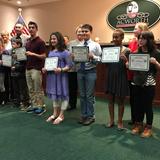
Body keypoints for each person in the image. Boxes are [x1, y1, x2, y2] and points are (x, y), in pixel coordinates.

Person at [130, 31, 160, 138]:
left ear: (149, 40)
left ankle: (148, 127)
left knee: (147, 106)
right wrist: (128, 64)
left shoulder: (156, 53)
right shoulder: (136, 52)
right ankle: (138, 124)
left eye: (143, 38)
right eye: (139, 38)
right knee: (138, 105)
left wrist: (155, 62)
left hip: (149, 84)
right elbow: (132, 68)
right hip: (136, 82)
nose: (140, 40)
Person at [75, 24, 101, 125]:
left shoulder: (95, 45)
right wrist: (74, 59)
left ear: (91, 32)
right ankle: (84, 115)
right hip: (80, 72)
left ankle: (91, 116)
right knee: (82, 95)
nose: (84, 33)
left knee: (89, 96)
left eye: (86, 31)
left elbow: (101, 59)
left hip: (91, 72)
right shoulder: (78, 46)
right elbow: (76, 62)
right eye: (82, 31)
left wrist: (93, 56)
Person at [44, 32, 72, 124]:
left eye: (54, 39)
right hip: (52, 77)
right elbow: (49, 64)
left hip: (61, 76)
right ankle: (55, 113)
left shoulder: (65, 52)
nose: (52, 40)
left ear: (59, 40)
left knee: (63, 95)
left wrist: (61, 69)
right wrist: (45, 69)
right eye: (51, 39)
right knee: (54, 94)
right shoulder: (51, 52)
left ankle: (61, 115)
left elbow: (70, 66)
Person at [105, 29, 130, 129]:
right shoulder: (110, 50)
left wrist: (126, 60)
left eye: (117, 37)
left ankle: (120, 121)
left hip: (121, 77)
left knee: (120, 101)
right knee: (110, 100)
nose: (114, 39)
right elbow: (106, 65)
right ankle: (111, 120)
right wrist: (105, 58)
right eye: (113, 37)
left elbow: (130, 66)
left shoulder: (127, 51)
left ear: (122, 37)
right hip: (110, 77)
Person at [128, 22, 148, 125]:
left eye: (136, 28)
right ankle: (134, 118)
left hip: (143, 76)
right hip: (132, 74)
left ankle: (140, 120)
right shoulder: (131, 42)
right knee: (133, 98)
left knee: (142, 99)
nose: (134, 30)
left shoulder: (146, 43)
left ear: (142, 30)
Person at [25, 21, 46, 115]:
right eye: (29, 27)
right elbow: (25, 55)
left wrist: (32, 54)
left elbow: (44, 56)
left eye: (33, 27)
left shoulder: (40, 42)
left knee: (38, 88)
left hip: (36, 68)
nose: (31, 29)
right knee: (30, 88)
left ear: (36, 29)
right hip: (28, 68)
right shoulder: (27, 41)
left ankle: (40, 106)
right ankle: (34, 105)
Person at [67, 24, 84, 111]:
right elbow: (67, 55)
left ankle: (84, 106)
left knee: (82, 89)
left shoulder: (86, 43)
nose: (80, 33)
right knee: (72, 88)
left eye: (82, 31)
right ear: (76, 33)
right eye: (78, 31)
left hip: (82, 69)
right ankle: (72, 104)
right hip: (72, 69)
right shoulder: (70, 43)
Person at [10, 37, 30, 109]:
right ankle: (17, 102)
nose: (12, 45)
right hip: (13, 74)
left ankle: (25, 102)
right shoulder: (11, 51)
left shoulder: (22, 51)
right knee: (15, 89)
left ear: (19, 44)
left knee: (23, 89)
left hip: (20, 74)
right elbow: (9, 61)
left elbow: (24, 64)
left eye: (14, 44)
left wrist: (16, 67)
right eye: (11, 44)